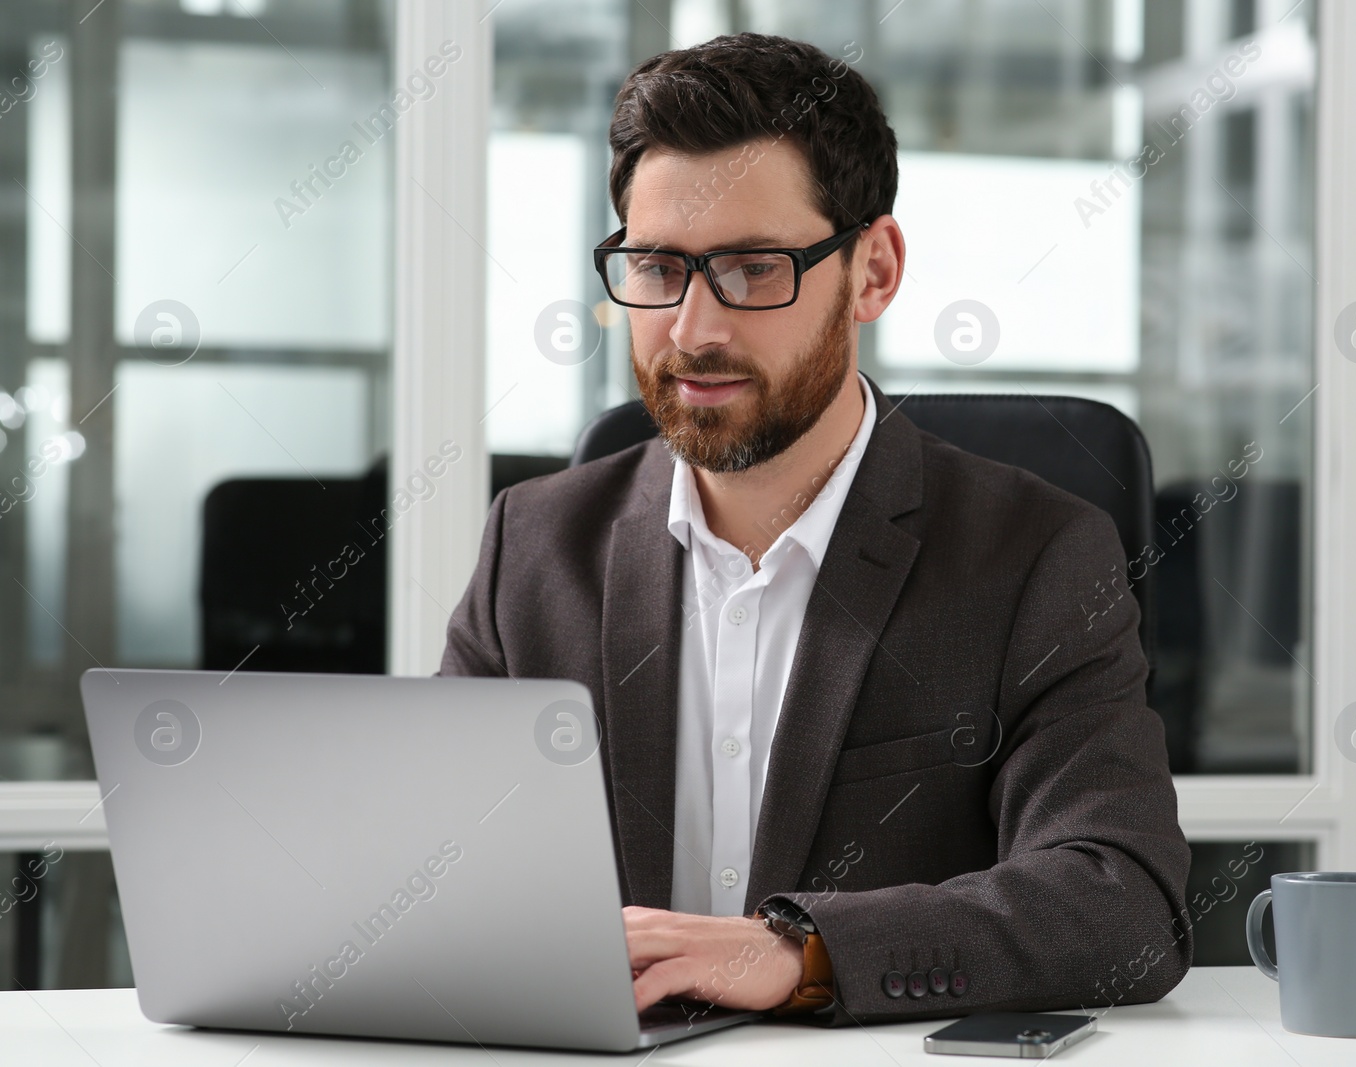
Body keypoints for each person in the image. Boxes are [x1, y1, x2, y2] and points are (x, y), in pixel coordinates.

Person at [440, 31, 1191, 1025]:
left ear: (872, 271)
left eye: (753, 268)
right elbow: (437, 874)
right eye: (657, 267)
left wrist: (803, 951)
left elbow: (1120, 899)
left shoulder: (1036, 552)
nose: (694, 327)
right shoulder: (531, 545)